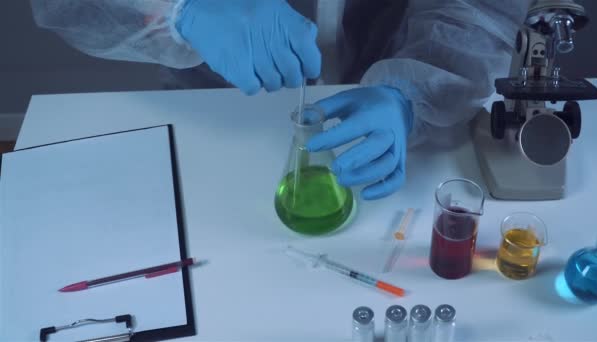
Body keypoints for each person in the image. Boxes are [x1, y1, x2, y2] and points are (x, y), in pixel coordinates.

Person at [29, 0, 531, 200]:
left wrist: (409, 95)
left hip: (394, 113)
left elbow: (477, 11)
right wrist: (182, 9)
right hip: (218, 107)